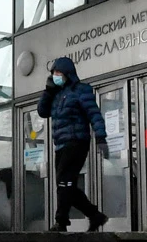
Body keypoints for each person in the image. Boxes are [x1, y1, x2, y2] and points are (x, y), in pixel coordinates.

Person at [37, 57, 108, 232]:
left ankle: (61, 221)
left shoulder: (80, 90)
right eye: (53, 73)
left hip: (77, 141)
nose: (55, 76)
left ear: (68, 74)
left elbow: (94, 114)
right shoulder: (56, 94)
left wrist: (101, 137)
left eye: (58, 73)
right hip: (61, 145)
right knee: (67, 185)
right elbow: (42, 112)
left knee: (64, 183)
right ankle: (95, 215)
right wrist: (48, 91)